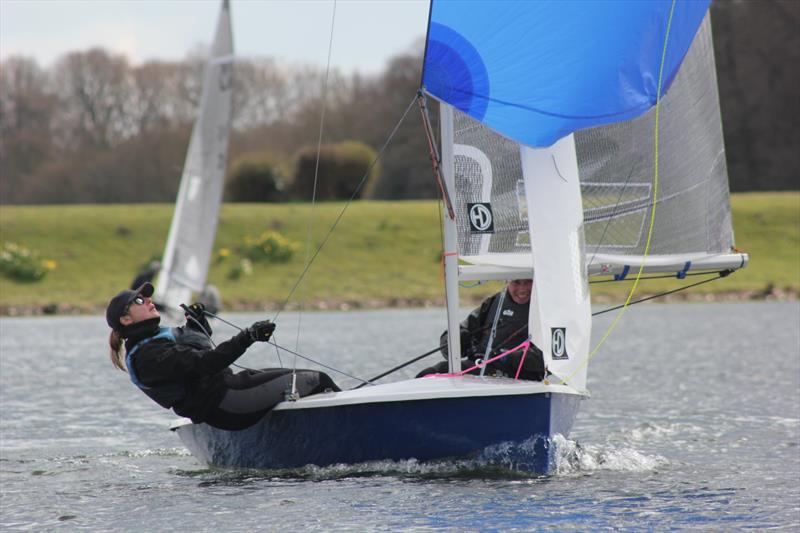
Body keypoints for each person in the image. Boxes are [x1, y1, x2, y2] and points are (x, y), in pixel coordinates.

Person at [106, 282, 339, 431]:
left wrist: (196, 325)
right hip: (228, 402)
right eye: (139, 300)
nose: (149, 301)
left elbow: (197, 353)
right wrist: (248, 336)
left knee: (300, 379)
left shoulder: (154, 342)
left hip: (229, 394)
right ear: (126, 320)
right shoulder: (148, 356)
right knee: (318, 380)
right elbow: (207, 363)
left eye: (148, 297)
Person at [416, 279, 545, 380]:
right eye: (516, 282)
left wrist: (509, 357)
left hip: (519, 377)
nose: (522, 289)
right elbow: (449, 342)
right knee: (434, 371)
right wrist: (458, 339)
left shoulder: (545, 309)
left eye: (528, 282)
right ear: (507, 281)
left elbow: (555, 357)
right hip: (481, 368)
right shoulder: (494, 302)